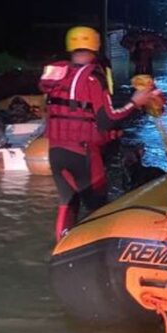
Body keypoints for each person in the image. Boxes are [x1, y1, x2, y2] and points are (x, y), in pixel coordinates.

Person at [39, 26, 156, 241]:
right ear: (95, 46)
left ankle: (61, 248)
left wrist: (110, 136)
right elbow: (107, 119)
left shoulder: (57, 74)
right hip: (82, 154)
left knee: (67, 203)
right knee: (97, 207)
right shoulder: (94, 76)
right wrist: (134, 102)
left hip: (55, 152)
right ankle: (97, 252)